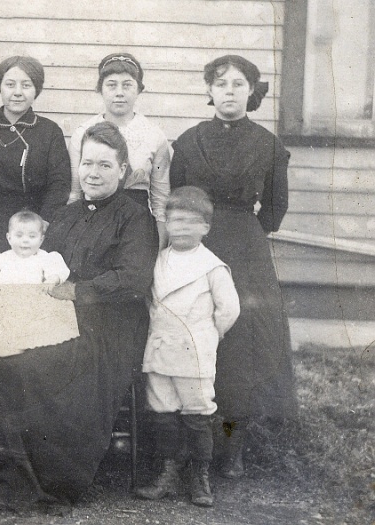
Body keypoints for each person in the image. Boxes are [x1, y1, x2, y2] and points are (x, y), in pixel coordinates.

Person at [0, 121, 158, 509]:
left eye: (105, 165)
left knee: (40, 361)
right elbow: (35, 262)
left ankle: (36, 483)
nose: (93, 173)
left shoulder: (134, 217)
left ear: (123, 170)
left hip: (109, 325)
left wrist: (77, 291)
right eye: (88, 163)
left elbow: (134, 279)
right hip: (52, 312)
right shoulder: (66, 214)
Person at [169, 55, 296, 479]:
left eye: (238, 84)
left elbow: (276, 209)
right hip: (196, 244)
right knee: (192, 334)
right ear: (209, 91)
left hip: (245, 249)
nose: (228, 90)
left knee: (241, 342)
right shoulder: (188, 141)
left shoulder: (267, 144)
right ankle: (185, 446)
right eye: (220, 83)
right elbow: (177, 196)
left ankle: (232, 447)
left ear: (251, 92)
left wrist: (244, 230)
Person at [135, 186, 240, 508]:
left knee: (196, 413)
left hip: (194, 350)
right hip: (160, 346)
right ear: (165, 223)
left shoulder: (212, 266)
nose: (180, 227)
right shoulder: (157, 260)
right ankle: (168, 474)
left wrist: (206, 337)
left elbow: (229, 310)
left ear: (205, 227)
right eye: (174, 220)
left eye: (190, 221)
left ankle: (199, 477)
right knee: (162, 411)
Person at [0, 56, 71, 264]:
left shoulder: (49, 132)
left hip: (34, 223)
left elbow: (59, 183)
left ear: (36, 89)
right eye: (10, 85)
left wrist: (44, 221)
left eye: (26, 85)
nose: (17, 92)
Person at [68, 52, 171, 246]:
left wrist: (158, 250)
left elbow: (160, 201)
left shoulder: (154, 135)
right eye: (111, 85)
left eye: (127, 85)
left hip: (137, 225)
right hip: (92, 221)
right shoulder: (83, 133)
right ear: (100, 89)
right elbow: (75, 194)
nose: (119, 93)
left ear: (138, 89)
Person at [0, 210, 78, 357]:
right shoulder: (3, 258)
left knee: (27, 338)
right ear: (9, 238)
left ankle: (15, 355)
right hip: (7, 303)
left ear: (41, 239)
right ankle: (2, 354)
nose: (25, 240)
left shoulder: (44, 257)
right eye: (19, 236)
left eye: (32, 236)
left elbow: (56, 267)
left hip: (32, 302)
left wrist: (53, 278)